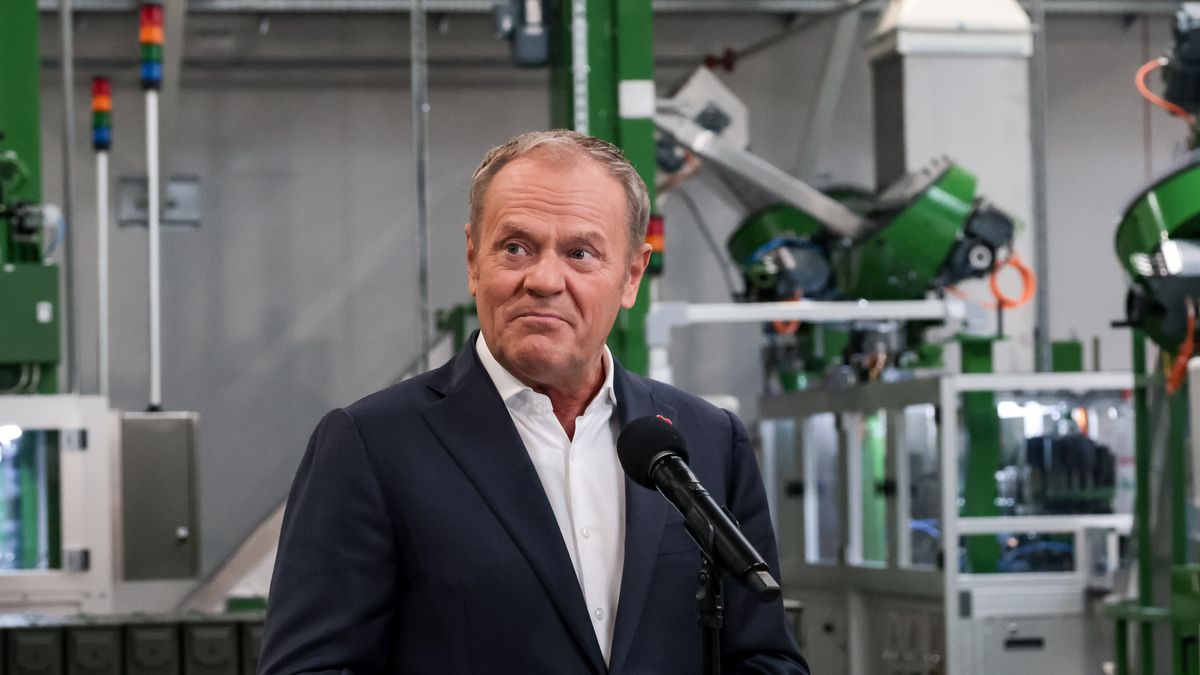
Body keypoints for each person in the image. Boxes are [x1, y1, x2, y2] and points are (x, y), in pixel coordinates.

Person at [258, 130, 808, 675]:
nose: (545, 280)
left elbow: (763, 657)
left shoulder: (706, 440)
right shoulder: (371, 446)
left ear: (631, 276)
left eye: (580, 253)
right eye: (516, 247)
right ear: (474, 260)